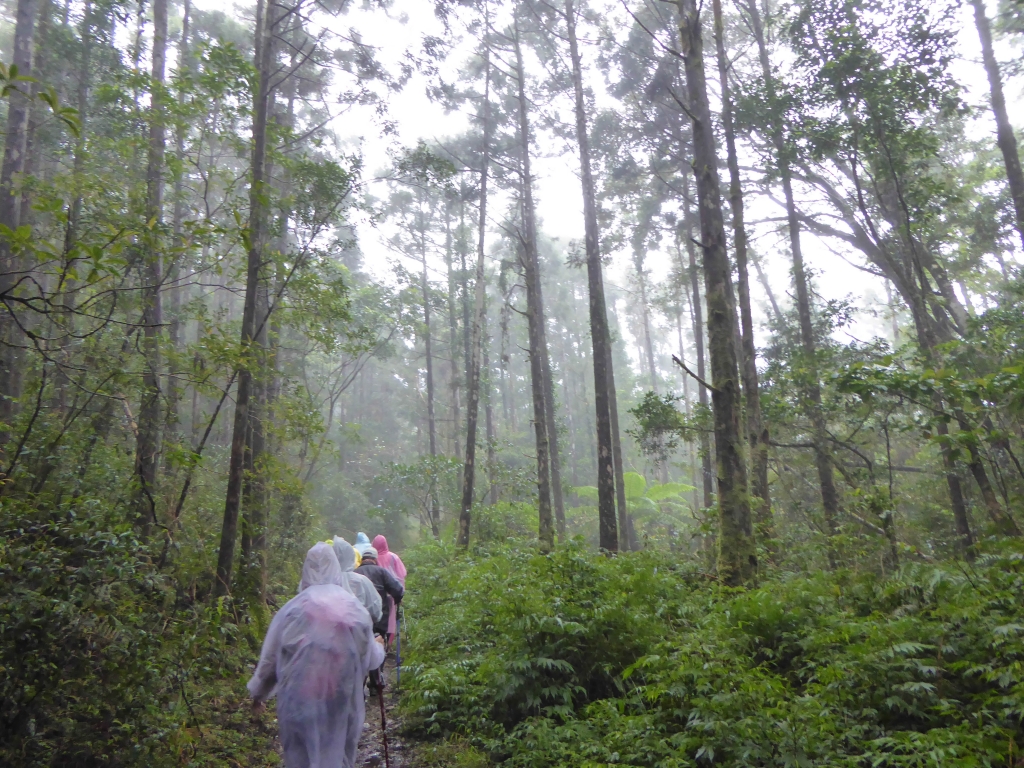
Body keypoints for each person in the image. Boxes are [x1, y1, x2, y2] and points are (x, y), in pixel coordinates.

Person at [249, 542, 385, 768]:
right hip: (340, 699)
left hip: (298, 700)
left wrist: (258, 696)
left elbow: (270, 661)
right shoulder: (352, 609)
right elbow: (369, 657)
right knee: (338, 751)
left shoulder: (292, 610)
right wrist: (379, 645)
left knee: (300, 756)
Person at [356, 546, 404, 691]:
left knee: (360, 648)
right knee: (377, 646)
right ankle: (376, 681)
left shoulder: (354, 573)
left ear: (362, 560)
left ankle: (359, 683)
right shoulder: (382, 572)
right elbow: (398, 589)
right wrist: (396, 600)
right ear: (375, 559)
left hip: (357, 619)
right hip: (378, 618)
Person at [332, 536, 382, 624]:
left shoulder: (322, 583)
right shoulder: (362, 581)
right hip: (359, 634)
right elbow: (375, 611)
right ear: (352, 557)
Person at [371, 535, 407, 641]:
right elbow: (401, 575)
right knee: (391, 618)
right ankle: (389, 643)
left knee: (377, 617)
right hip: (392, 591)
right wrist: (400, 594)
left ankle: (378, 640)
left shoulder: (374, 559)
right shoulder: (393, 557)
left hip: (377, 592)